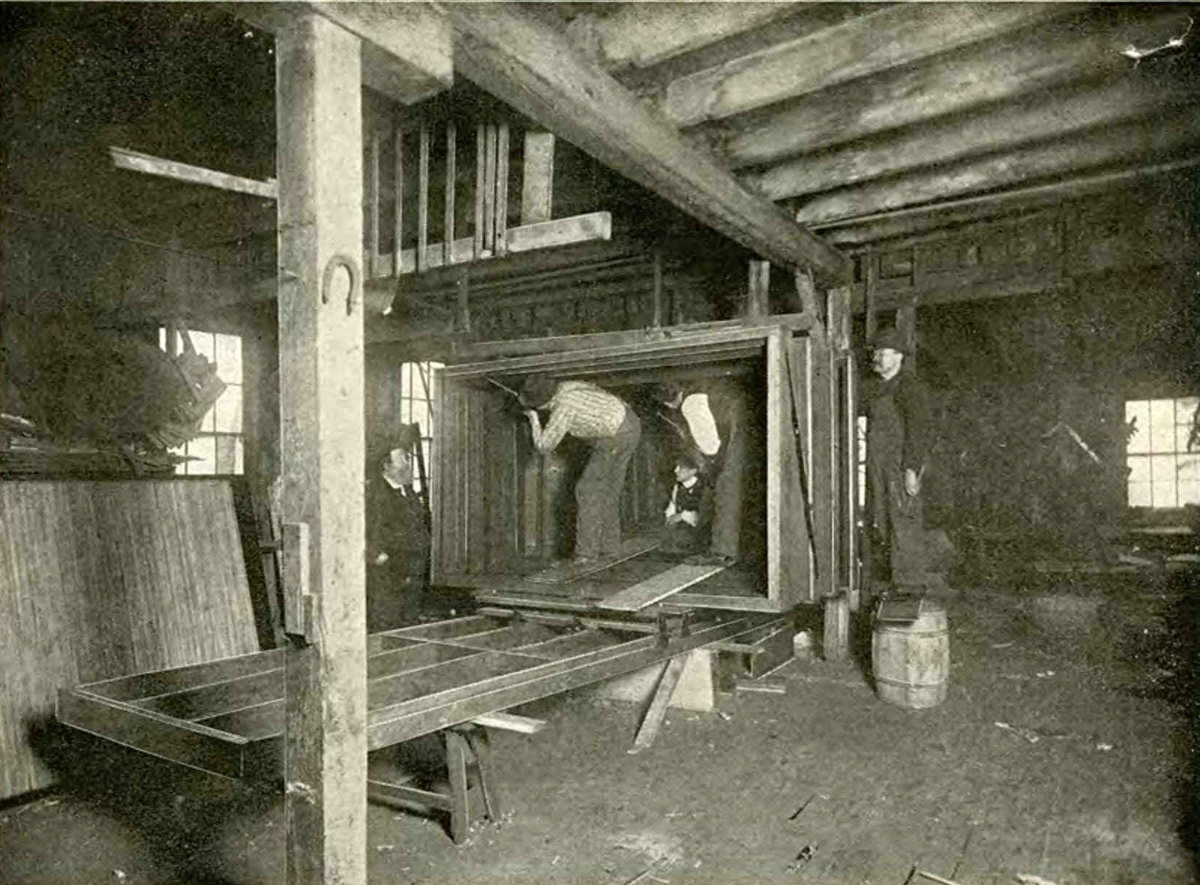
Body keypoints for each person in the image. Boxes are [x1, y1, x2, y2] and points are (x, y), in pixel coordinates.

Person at [519, 375, 641, 563]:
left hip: (615, 435)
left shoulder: (562, 408)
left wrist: (533, 419)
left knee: (586, 491)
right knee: (608, 491)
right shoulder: (567, 386)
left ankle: (587, 554)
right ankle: (610, 549)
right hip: (631, 424)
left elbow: (544, 445)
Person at [865, 325, 935, 596]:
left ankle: (910, 584)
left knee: (904, 519)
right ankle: (897, 580)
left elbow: (920, 429)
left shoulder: (909, 387)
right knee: (883, 520)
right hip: (878, 465)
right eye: (877, 353)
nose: (878, 358)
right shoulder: (878, 388)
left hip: (899, 464)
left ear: (899, 357)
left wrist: (911, 469)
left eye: (884, 353)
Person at [657, 379, 746, 565]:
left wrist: (708, 468)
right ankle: (728, 548)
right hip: (739, 429)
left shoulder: (690, 404)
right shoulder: (703, 391)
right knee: (731, 489)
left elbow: (710, 447)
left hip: (734, 437)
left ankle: (721, 552)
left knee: (724, 489)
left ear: (668, 402)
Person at [365, 440, 429, 629]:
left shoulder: (408, 492)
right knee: (387, 617)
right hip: (388, 567)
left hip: (411, 565)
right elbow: (365, 526)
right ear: (387, 466)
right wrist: (376, 554)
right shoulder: (374, 493)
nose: (407, 465)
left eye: (407, 459)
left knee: (409, 616)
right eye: (402, 460)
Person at [662, 449, 709, 554]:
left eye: (680, 468)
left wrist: (682, 516)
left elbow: (704, 515)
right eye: (676, 467)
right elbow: (673, 504)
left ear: (693, 471)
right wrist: (670, 517)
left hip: (698, 527)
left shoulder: (703, 489)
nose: (675, 471)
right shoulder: (677, 487)